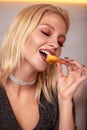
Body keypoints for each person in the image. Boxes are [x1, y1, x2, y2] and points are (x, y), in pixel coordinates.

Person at [0, 3, 87, 130]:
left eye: (60, 42)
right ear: (21, 32)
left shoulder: (56, 97)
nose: (55, 45)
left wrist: (65, 100)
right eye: (46, 33)